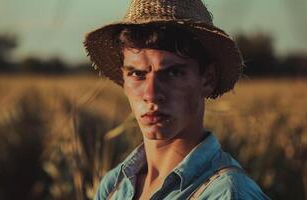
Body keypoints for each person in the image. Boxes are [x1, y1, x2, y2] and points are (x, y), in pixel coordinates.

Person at [84, 0, 270, 199]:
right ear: (123, 80)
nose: (152, 94)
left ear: (208, 79)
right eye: (137, 74)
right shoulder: (113, 187)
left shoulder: (227, 193)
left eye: (173, 72)